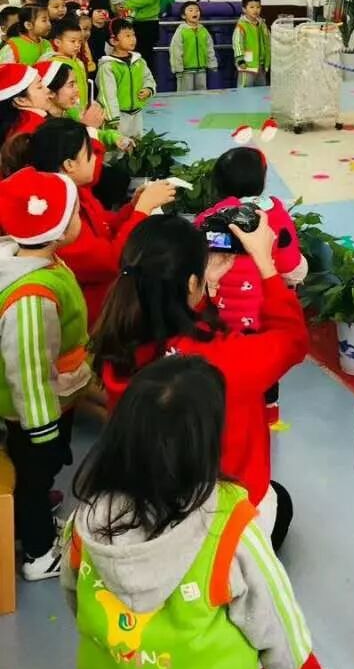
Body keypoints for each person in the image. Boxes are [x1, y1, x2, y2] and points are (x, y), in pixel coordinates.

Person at [62, 355, 325, 669]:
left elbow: (76, 597)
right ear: (207, 444)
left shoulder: (85, 520)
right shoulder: (231, 525)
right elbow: (274, 614)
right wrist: (296, 666)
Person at [91, 213, 309, 552]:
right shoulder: (223, 361)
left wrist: (203, 286)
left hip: (151, 498)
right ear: (192, 283)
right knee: (281, 503)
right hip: (219, 509)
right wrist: (267, 265)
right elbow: (292, 340)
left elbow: (175, 324)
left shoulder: (119, 342)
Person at [0, 165, 88, 580]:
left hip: (50, 398)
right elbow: (29, 369)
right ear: (57, 230)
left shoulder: (31, 259)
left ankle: (29, 508)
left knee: (35, 472)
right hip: (37, 410)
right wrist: (43, 430)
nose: (80, 219)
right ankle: (37, 552)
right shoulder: (32, 296)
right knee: (35, 471)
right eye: (76, 213)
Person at [194, 146, 307, 426]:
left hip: (220, 315)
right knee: (266, 367)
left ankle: (223, 410)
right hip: (263, 315)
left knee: (227, 366)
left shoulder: (208, 219)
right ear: (263, 179)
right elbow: (290, 264)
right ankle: (268, 415)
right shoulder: (275, 215)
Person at [26, 119, 176, 328]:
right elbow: (110, 261)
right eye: (90, 154)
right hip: (93, 317)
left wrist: (133, 207)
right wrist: (142, 210)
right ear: (69, 165)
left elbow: (105, 225)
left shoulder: (76, 191)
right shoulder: (56, 216)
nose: (97, 160)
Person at [97, 19, 155, 140]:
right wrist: (113, 118)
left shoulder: (139, 61)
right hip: (118, 116)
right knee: (118, 146)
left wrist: (148, 89)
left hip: (136, 114)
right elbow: (107, 94)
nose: (133, 39)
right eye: (127, 36)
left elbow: (148, 78)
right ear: (113, 41)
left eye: (133, 35)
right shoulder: (108, 66)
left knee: (137, 143)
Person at [0, 62, 59, 154]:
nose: (48, 90)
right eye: (39, 87)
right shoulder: (33, 132)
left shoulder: (14, 129)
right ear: (20, 100)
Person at [170, 0, 218, 92]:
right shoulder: (181, 31)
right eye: (191, 10)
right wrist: (178, 68)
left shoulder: (203, 30)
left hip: (201, 70)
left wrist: (212, 64)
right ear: (183, 16)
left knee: (202, 93)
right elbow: (176, 51)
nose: (195, 12)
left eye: (197, 10)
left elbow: (209, 48)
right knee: (185, 94)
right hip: (186, 71)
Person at [233, 0, 271, 88]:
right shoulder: (241, 26)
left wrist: (268, 58)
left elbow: (268, 41)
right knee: (245, 90)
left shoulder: (262, 24)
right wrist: (240, 59)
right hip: (247, 65)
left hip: (261, 65)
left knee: (261, 91)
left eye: (258, 7)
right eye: (252, 7)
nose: (255, 10)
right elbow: (237, 43)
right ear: (244, 9)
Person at [87, 0, 112, 64]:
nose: (103, 14)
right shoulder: (87, 30)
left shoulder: (110, 28)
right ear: (91, 12)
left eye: (106, 11)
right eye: (99, 11)